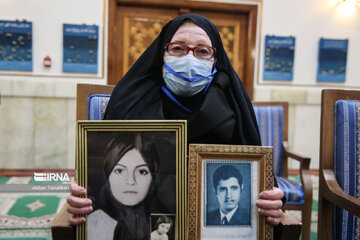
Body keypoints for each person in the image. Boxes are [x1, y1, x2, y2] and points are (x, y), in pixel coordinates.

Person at [67, 14, 284, 229]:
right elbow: (100, 175)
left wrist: (271, 199)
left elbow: (257, 176)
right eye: (178, 48)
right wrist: (83, 197)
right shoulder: (131, 99)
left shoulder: (232, 103)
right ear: (162, 54)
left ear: (214, 60)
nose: (189, 58)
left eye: (202, 51)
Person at [87, 136, 159, 240]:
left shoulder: (165, 223)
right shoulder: (94, 223)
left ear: (153, 177)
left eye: (141, 171)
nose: (131, 181)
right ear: (108, 175)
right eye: (120, 171)